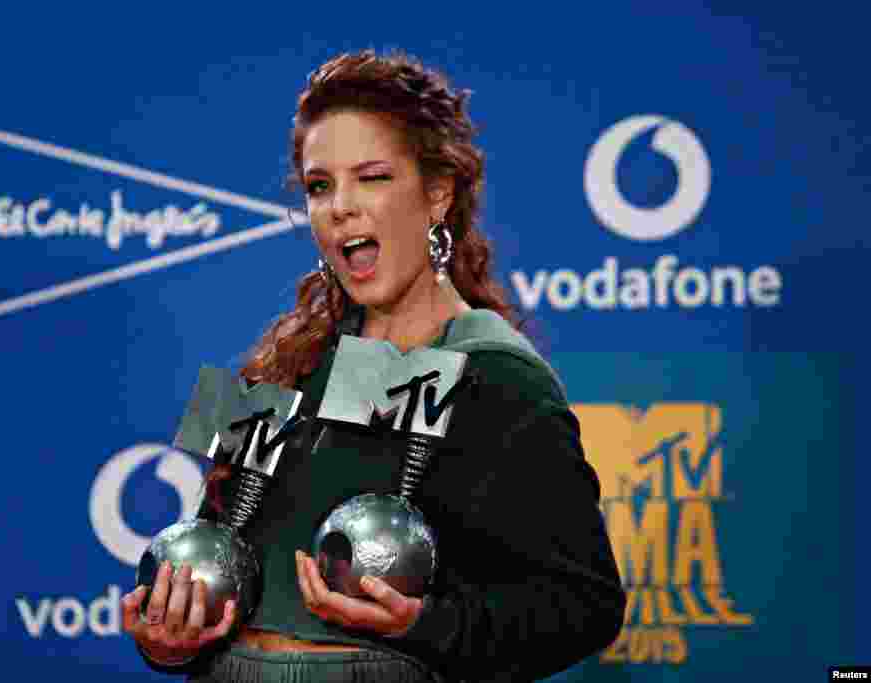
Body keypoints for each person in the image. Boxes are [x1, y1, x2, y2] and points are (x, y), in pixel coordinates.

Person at [121, 49, 626, 682]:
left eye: (373, 177)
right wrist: (169, 640)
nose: (341, 206)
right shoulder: (276, 369)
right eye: (319, 185)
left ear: (438, 192)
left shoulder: (499, 377)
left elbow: (585, 605)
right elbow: (206, 560)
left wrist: (422, 625)